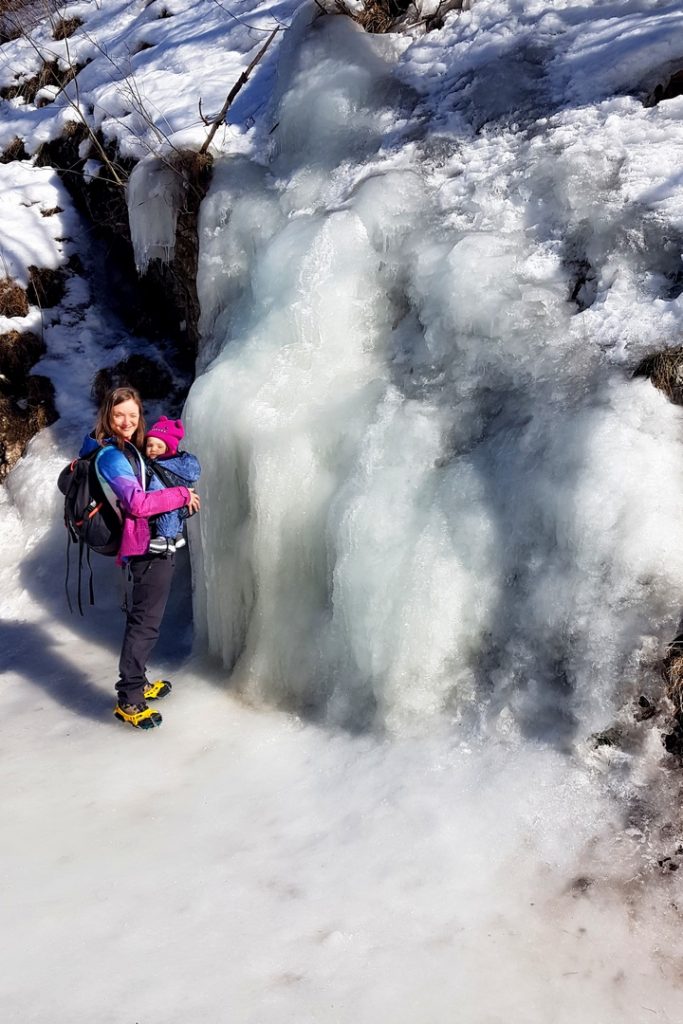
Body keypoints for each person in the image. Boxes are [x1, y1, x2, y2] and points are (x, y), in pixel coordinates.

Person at [79, 387, 201, 730]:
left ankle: (139, 680)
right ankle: (130, 699)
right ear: (107, 416)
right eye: (120, 415)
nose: (127, 422)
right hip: (146, 551)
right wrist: (181, 494)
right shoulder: (112, 456)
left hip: (152, 547)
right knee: (144, 625)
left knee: (145, 621)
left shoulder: (129, 450)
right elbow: (137, 504)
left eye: (133, 415)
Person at [144, 416, 201, 555]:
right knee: (173, 511)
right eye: (150, 445)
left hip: (175, 504)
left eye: (159, 446)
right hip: (186, 504)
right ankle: (177, 534)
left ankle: (165, 540)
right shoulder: (180, 464)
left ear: (169, 448)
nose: (153, 449)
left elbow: (157, 488)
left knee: (167, 508)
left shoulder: (161, 465)